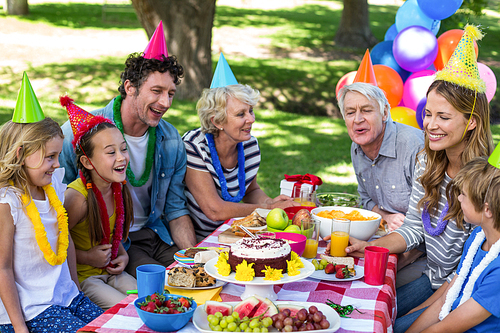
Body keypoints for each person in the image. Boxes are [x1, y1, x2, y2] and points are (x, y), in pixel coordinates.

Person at [327, 25, 493, 333]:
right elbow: (415, 227)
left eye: (443, 117)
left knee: (381, 322)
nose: (430, 125)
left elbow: (472, 268)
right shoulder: (429, 161)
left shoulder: (485, 181)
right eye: (428, 114)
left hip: (462, 292)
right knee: (357, 310)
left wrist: (424, 311)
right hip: (435, 277)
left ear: (471, 122)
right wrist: (370, 247)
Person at [60, 21, 197, 277]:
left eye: (171, 93)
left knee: (201, 277)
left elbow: (176, 209)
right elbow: (57, 211)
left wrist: (195, 257)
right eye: (156, 91)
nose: (165, 102)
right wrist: (83, 255)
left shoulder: (171, 140)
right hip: (117, 244)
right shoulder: (80, 134)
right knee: (168, 287)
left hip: (158, 234)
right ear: (130, 88)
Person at [0, 73, 103, 333]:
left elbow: (63, 237)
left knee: (112, 326)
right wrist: (20, 327)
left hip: (66, 296)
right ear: (21, 154)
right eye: (50, 156)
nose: (58, 164)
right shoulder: (8, 201)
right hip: (31, 310)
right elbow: (2, 268)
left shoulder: (53, 185)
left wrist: (75, 290)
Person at [182, 61, 297, 238]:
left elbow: (251, 190)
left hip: (234, 232)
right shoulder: (194, 146)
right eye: (241, 114)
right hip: (197, 238)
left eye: (251, 111)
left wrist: (269, 201)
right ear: (217, 121)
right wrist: (268, 209)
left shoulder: (249, 144)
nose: (251, 119)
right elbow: (214, 210)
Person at [407, 155, 500, 332]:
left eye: (463, 194)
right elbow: (445, 298)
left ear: (487, 209)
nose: (458, 199)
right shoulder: (477, 238)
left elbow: (445, 329)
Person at [61, 97, 137, 310]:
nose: (121, 157)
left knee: (147, 299)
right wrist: (87, 257)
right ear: (87, 162)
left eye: (123, 149)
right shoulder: (78, 198)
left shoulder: (117, 187)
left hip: (112, 272)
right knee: (126, 308)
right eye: (111, 152)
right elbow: (57, 244)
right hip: (85, 278)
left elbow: (112, 232)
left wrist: (122, 254)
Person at [337, 82, 424, 232]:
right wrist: (385, 216)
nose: (357, 119)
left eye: (366, 110)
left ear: (384, 113)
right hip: (384, 231)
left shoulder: (413, 146)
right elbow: (366, 199)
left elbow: (434, 214)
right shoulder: (357, 146)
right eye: (350, 113)